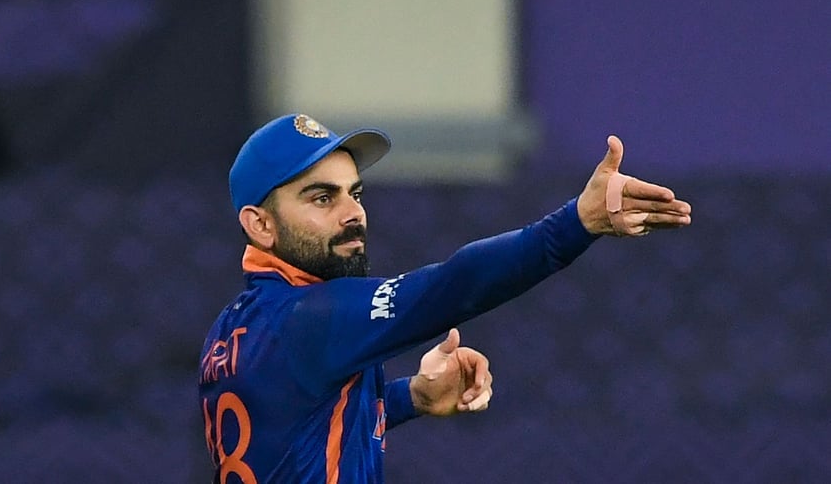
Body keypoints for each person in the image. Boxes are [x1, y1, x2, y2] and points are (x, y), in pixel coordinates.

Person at [198, 113, 691, 483]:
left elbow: (297, 430)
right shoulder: (309, 317)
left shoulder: (232, 328)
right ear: (259, 224)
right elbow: (453, 285)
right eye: (322, 198)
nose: (353, 213)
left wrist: (411, 396)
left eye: (356, 193)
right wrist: (573, 226)